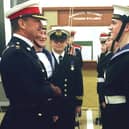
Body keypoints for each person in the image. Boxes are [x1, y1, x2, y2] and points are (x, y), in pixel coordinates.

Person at [0, 1, 61, 129]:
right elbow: (28, 92)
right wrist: (52, 90)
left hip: (34, 118)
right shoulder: (16, 53)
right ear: (22, 23)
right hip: (25, 121)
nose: (40, 25)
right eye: (36, 21)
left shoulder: (26, 50)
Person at [48, 29, 83, 129]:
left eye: (62, 41)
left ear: (66, 42)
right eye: (56, 41)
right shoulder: (47, 59)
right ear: (51, 42)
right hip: (52, 105)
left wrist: (78, 103)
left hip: (69, 104)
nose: (59, 44)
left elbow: (78, 82)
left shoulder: (73, 59)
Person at [103, 5, 129, 129]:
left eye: (114, 23)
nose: (110, 27)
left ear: (127, 27)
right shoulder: (120, 54)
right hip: (113, 116)